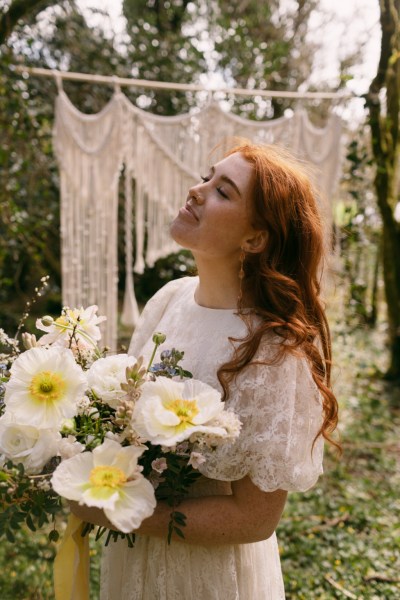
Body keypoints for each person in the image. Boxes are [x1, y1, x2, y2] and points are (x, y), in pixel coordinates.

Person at [72, 140, 339, 599]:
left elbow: (255, 519)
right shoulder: (169, 298)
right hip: (135, 560)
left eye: (224, 192)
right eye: (206, 176)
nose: (197, 191)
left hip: (206, 575)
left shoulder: (274, 350)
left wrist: (128, 512)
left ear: (255, 239)